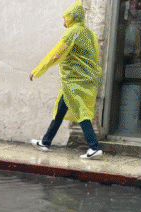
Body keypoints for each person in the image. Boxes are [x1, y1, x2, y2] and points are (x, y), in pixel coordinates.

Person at [29, 1, 104, 159]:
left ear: (72, 18)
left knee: (82, 113)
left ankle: (95, 147)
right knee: (61, 109)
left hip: (75, 81)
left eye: (66, 18)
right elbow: (96, 56)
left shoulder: (72, 33)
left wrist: (37, 71)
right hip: (87, 80)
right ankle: (45, 141)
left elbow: (55, 54)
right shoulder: (89, 33)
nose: (64, 22)